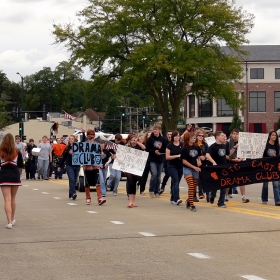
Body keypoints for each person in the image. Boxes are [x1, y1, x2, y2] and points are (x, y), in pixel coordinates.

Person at [0, 133, 22, 229]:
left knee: (7, 199)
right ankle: (12, 219)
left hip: (4, 176)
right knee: (13, 198)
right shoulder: (17, 151)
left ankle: (9, 222)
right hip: (15, 175)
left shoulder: (0, 151)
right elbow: (21, 165)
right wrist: (19, 175)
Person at [206, 131, 232, 208]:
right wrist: (213, 162)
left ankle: (221, 202)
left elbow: (228, 154)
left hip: (223, 168)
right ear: (217, 137)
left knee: (223, 185)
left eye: (225, 136)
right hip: (215, 169)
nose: (224, 137)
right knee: (216, 184)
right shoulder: (213, 146)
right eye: (222, 136)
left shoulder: (224, 146)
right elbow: (207, 155)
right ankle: (212, 195)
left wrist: (234, 147)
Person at [82, 129, 106, 205]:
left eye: (92, 134)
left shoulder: (97, 145)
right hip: (86, 166)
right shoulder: (84, 144)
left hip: (95, 166)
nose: (90, 136)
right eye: (89, 134)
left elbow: (101, 154)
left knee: (97, 182)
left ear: (94, 136)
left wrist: (102, 155)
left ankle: (100, 198)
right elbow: (80, 153)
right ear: (87, 136)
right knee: (87, 183)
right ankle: (88, 198)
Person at [225, 129, 250, 203]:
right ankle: (226, 195)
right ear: (231, 134)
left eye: (237, 134)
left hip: (240, 162)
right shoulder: (227, 142)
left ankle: (243, 196)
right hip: (230, 162)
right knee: (229, 180)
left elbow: (246, 153)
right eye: (234, 134)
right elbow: (226, 155)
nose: (235, 135)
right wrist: (233, 159)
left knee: (241, 179)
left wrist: (241, 158)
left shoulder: (243, 142)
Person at [181, 132, 201, 212]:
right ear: (187, 138)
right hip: (187, 168)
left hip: (196, 168)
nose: (194, 138)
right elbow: (184, 161)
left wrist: (199, 161)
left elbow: (198, 156)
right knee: (191, 186)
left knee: (194, 188)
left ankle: (189, 201)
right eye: (192, 137)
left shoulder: (197, 147)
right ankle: (192, 205)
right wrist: (193, 167)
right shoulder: (184, 148)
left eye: (194, 137)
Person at [145, 124, 167, 197]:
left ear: (159, 130)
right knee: (154, 174)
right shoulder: (150, 139)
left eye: (156, 129)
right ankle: (151, 190)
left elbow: (165, 149)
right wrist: (154, 151)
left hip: (160, 159)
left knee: (158, 176)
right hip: (152, 159)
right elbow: (147, 149)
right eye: (154, 129)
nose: (155, 131)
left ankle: (156, 191)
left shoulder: (163, 139)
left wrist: (160, 149)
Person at [125, 135, 145, 207]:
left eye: (135, 140)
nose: (133, 142)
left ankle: (133, 201)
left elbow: (144, 148)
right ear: (130, 141)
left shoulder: (138, 147)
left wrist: (138, 142)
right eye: (132, 140)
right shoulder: (127, 147)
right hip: (128, 168)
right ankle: (130, 201)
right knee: (130, 183)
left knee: (134, 183)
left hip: (136, 169)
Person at [261, 130, 280, 206]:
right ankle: (264, 199)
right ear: (269, 136)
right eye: (273, 135)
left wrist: (275, 156)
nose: (274, 136)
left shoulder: (277, 146)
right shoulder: (265, 145)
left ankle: (277, 201)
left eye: (275, 135)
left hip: (274, 167)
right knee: (265, 184)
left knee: (276, 184)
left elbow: (278, 158)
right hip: (266, 167)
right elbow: (262, 156)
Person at [58, 135, 79, 200]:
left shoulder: (78, 147)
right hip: (69, 165)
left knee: (74, 181)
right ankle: (73, 193)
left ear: (74, 140)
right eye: (70, 139)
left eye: (72, 139)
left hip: (77, 165)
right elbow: (64, 158)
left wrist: (83, 133)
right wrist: (60, 166)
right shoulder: (67, 148)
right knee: (72, 179)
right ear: (69, 140)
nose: (71, 140)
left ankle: (70, 194)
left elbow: (84, 142)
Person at [165, 131, 183, 205]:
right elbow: (167, 157)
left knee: (176, 182)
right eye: (175, 136)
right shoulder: (169, 146)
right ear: (173, 137)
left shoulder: (182, 145)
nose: (177, 137)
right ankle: (177, 198)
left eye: (178, 136)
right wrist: (177, 156)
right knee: (176, 182)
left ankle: (172, 198)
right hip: (172, 166)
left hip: (180, 165)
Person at [196, 130, 209, 200]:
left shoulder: (205, 144)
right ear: (197, 136)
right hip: (197, 163)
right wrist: (199, 157)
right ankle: (200, 193)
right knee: (199, 178)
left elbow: (208, 153)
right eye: (199, 135)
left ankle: (207, 193)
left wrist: (205, 157)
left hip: (204, 162)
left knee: (205, 178)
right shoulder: (195, 144)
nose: (201, 137)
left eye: (202, 136)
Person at [138, 131, 152, 195]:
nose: (149, 136)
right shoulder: (144, 143)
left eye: (150, 135)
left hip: (152, 160)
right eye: (148, 135)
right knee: (144, 176)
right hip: (145, 161)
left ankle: (153, 189)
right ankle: (142, 189)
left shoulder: (153, 143)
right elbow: (144, 148)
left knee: (154, 175)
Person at [159, 130, 172, 194]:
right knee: (168, 173)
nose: (169, 136)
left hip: (173, 160)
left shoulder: (174, 142)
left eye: (170, 134)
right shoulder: (164, 142)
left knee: (173, 175)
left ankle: (172, 188)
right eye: (168, 134)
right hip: (166, 160)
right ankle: (163, 185)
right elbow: (162, 149)